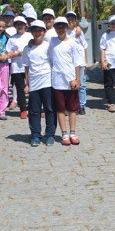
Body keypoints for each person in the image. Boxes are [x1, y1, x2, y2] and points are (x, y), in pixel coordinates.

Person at [20, 20, 56, 147]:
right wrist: (27, 84)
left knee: (50, 109)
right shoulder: (27, 48)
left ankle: (50, 134)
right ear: (31, 32)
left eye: (40, 30)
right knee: (34, 110)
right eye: (34, 30)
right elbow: (26, 67)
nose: (37, 33)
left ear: (44, 32)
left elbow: (54, 63)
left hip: (47, 82)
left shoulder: (49, 46)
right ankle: (35, 134)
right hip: (34, 83)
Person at [48, 16, 83, 145]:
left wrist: (77, 79)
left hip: (71, 80)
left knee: (73, 109)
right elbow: (37, 40)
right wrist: (30, 42)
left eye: (63, 26)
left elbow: (77, 63)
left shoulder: (73, 42)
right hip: (57, 81)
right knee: (61, 109)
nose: (60, 28)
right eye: (58, 26)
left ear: (67, 27)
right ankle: (64, 134)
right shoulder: (51, 41)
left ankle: (73, 132)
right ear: (55, 28)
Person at [5, 15, 32, 119]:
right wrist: (16, 53)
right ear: (15, 26)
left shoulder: (30, 35)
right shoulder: (12, 38)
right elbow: (8, 53)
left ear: (25, 25)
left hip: (30, 66)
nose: (20, 26)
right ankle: (23, 109)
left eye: (21, 24)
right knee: (20, 89)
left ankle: (33, 108)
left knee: (32, 88)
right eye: (17, 24)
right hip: (17, 67)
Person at [65, 10, 89, 115]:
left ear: (75, 21)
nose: (70, 21)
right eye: (68, 19)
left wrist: (86, 61)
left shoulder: (79, 32)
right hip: (68, 63)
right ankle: (70, 105)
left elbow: (85, 46)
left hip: (80, 63)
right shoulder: (63, 31)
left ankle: (82, 105)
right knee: (68, 84)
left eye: (72, 19)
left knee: (82, 84)